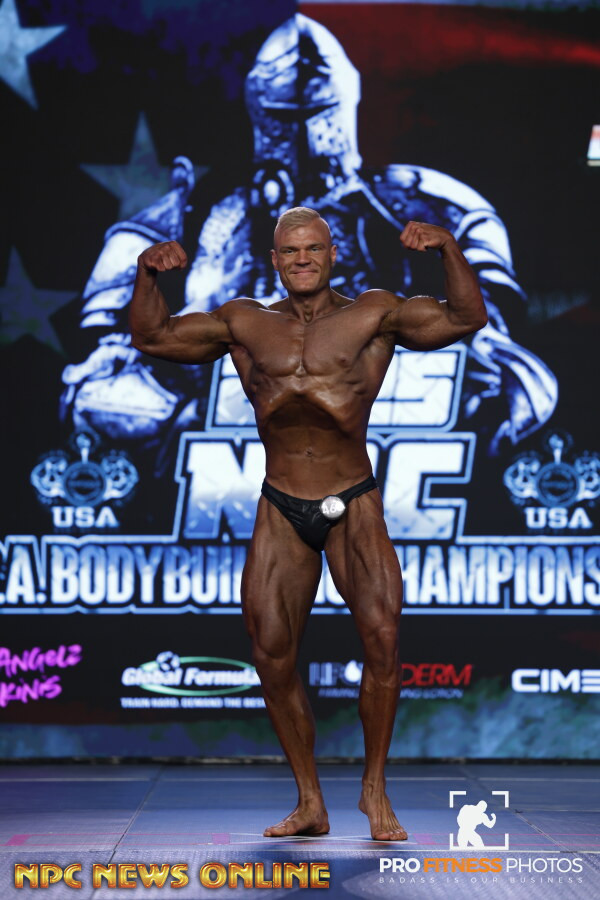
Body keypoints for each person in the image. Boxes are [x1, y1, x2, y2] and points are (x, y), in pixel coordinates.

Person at [129, 207, 488, 841]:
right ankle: (310, 801)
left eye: (313, 249)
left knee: (382, 640)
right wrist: (146, 276)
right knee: (271, 656)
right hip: (282, 503)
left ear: (331, 253)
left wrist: (449, 250)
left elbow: (465, 317)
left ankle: (374, 789)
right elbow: (153, 338)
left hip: (352, 499)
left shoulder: (374, 314)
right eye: (290, 251)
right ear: (274, 259)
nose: (302, 259)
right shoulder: (244, 322)